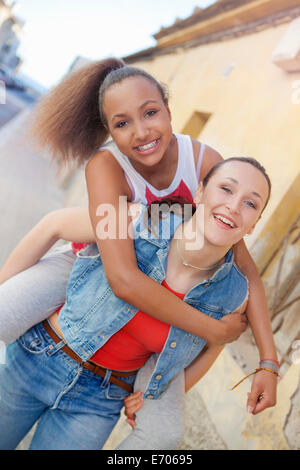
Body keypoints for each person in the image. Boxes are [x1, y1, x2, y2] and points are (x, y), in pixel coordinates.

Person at [0, 59, 277, 422]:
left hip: (159, 282)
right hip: (90, 261)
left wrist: (269, 363)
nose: (142, 132)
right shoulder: (107, 165)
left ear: (168, 109)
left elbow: (243, 264)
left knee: (161, 427)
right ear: (109, 131)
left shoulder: (204, 162)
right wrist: (214, 330)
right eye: (122, 123)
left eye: (150, 113)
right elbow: (123, 279)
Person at [0, 157, 277, 450]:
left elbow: (213, 346)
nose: (234, 206)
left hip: (99, 401)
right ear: (199, 193)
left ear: (254, 225)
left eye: (251, 204)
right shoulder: (135, 220)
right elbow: (53, 224)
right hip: (37, 359)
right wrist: (6, 289)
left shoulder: (232, 292)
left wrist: (156, 392)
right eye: (226, 189)